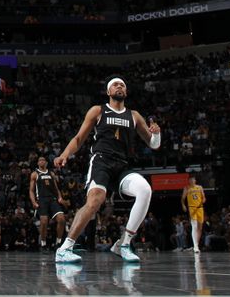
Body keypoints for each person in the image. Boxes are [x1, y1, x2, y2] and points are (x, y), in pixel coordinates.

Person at [54, 76, 161, 264]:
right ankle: (65, 248)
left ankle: (124, 244)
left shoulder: (134, 116)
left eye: (122, 85)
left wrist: (157, 133)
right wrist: (64, 155)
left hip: (123, 166)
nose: (119, 87)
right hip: (101, 161)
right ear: (108, 92)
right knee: (95, 201)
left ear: (125, 92)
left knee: (145, 190)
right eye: (115, 85)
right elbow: (79, 139)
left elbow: (153, 144)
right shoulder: (98, 110)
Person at [30, 156, 69, 249]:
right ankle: (43, 243)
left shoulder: (51, 173)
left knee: (62, 219)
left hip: (52, 199)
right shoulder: (35, 174)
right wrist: (33, 201)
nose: (42, 161)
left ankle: (58, 242)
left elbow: (56, 188)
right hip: (42, 200)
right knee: (43, 221)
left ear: (46, 163)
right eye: (40, 160)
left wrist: (59, 197)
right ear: (38, 163)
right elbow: (31, 190)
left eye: (43, 160)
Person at [181, 175, 206, 253]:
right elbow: (182, 198)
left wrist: (203, 201)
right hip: (192, 208)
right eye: (190, 180)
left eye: (193, 180)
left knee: (200, 228)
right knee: (194, 227)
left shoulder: (200, 187)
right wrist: (183, 205)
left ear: (195, 180)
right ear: (188, 181)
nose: (191, 181)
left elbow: (204, 197)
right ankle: (196, 246)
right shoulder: (187, 188)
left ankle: (196, 244)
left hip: (200, 208)